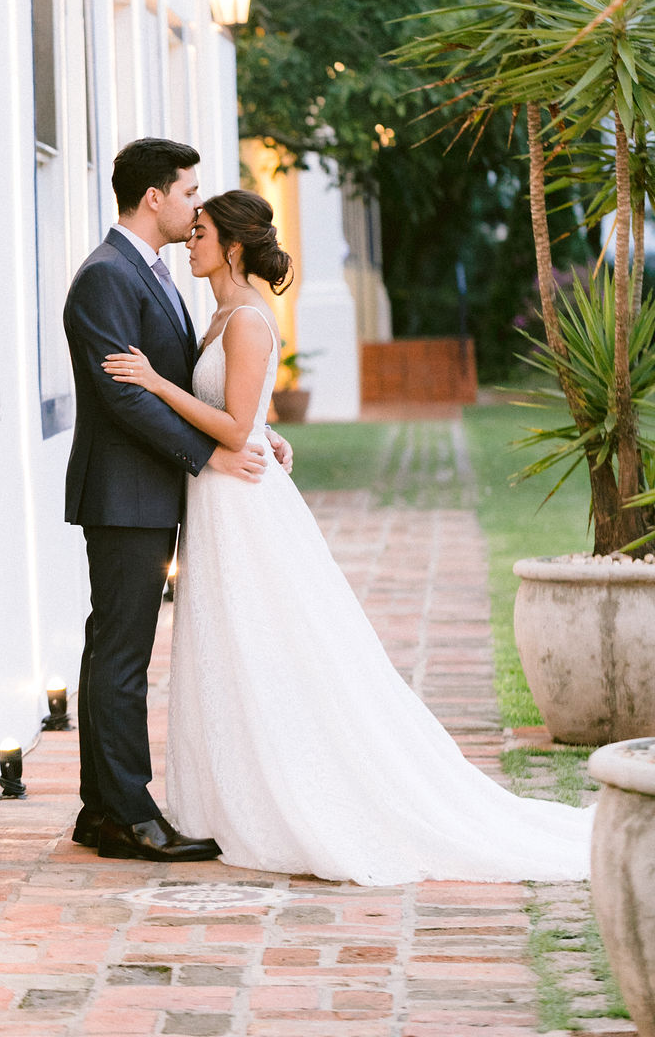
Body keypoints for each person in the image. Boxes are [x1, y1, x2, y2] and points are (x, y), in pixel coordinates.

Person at [102, 189, 593, 885]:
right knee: (226, 643)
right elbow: (243, 416)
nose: (191, 240)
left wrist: (155, 384)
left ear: (233, 246)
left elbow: (234, 427)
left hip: (240, 500)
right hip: (217, 496)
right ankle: (229, 792)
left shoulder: (246, 319)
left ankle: (294, 792)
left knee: (267, 639)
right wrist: (259, 428)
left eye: (202, 231)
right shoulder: (214, 317)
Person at [63, 140, 293, 864]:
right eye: (190, 193)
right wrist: (214, 451)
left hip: (154, 491)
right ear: (154, 197)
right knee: (121, 656)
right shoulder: (105, 276)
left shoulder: (152, 273)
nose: (198, 206)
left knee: (116, 651)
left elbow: (198, 387)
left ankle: (103, 809)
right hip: (125, 494)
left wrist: (255, 429)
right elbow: (124, 394)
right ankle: (128, 815)